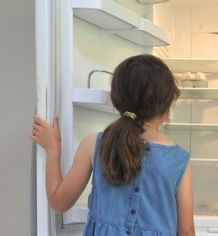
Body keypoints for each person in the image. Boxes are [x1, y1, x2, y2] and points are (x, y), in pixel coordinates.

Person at [31, 54, 195, 235]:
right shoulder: (179, 160)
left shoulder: (94, 144)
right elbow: (186, 231)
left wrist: (53, 149)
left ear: (117, 99)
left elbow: (59, 202)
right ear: (166, 107)